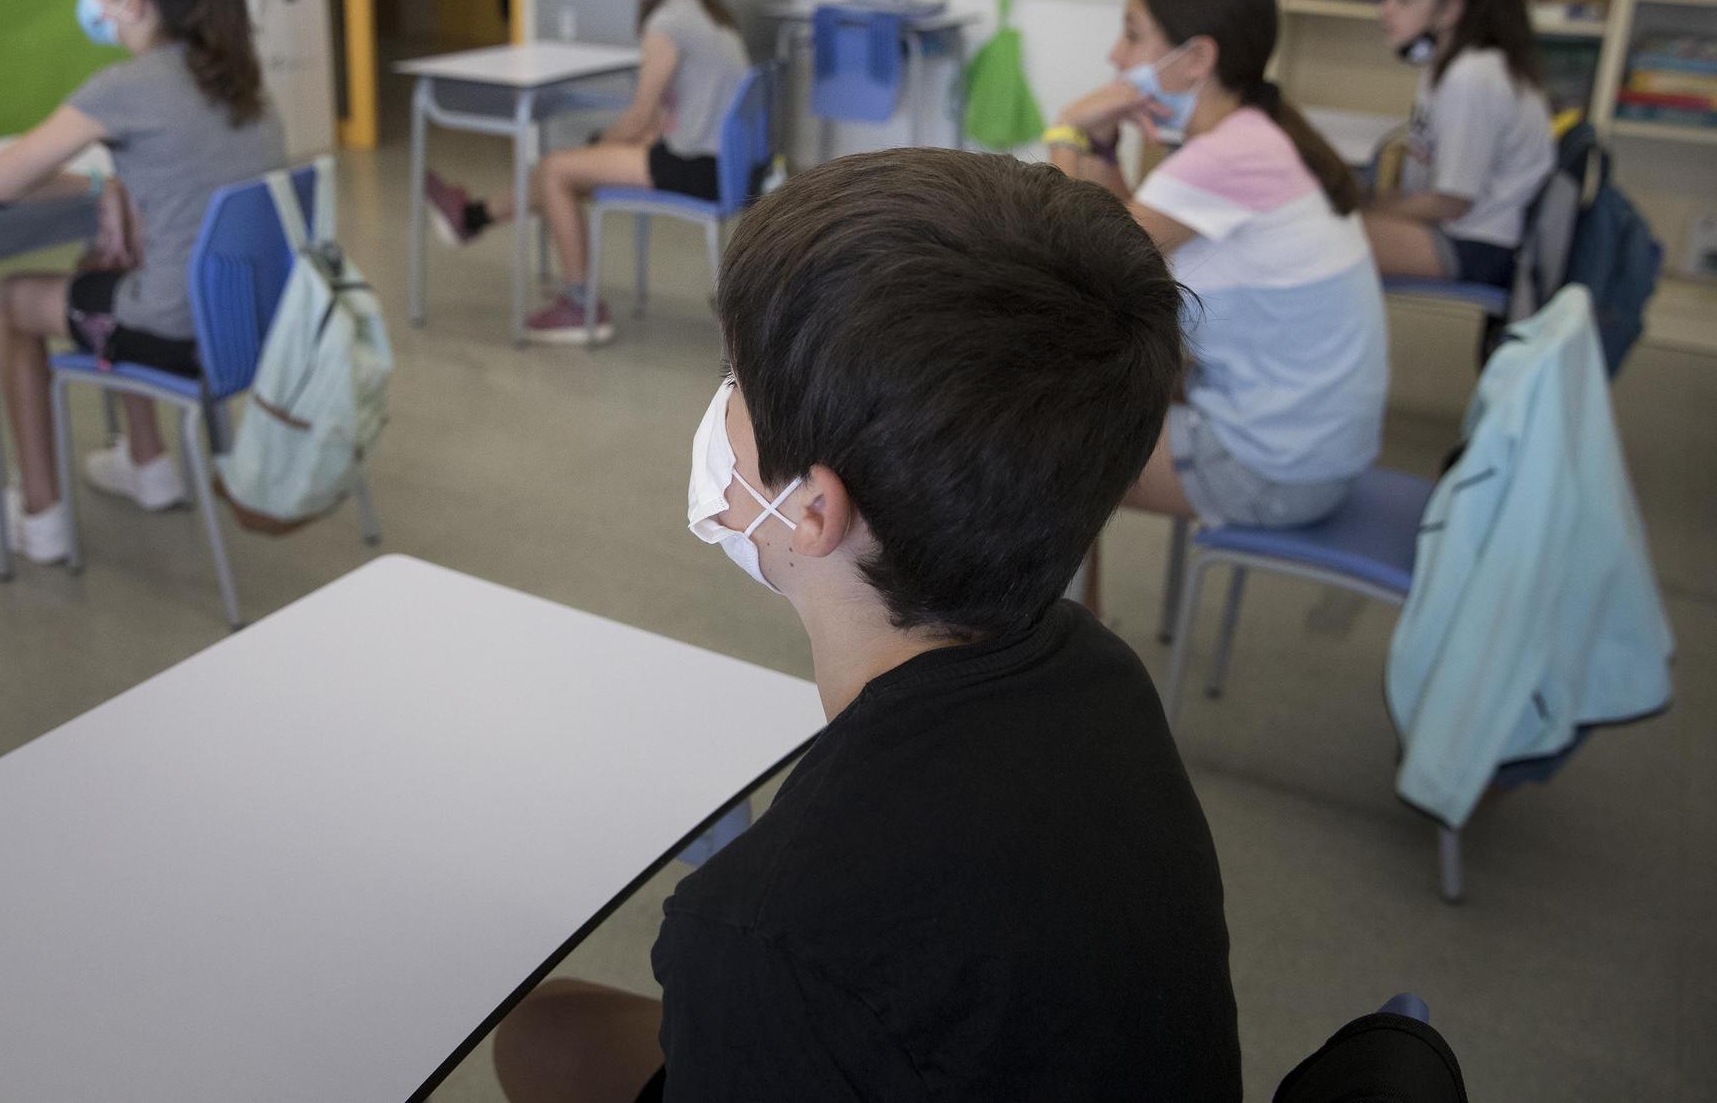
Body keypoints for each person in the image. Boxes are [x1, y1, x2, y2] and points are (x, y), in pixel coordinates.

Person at [492, 150, 1242, 1101]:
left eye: (737, 381)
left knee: (538, 1034)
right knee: (549, 1031)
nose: (720, 408)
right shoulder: (1099, 670)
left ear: (814, 509)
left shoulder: (768, 933)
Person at [0, 0, 285, 564]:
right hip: (255, 323)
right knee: (105, 263)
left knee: (9, 301)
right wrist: (110, 190)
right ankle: (147, 464)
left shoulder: (122, 90)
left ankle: (40, 516)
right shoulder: (240, 79)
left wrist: (90, 185)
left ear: (130, 5)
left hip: (177, 327)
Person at [1044, 0, 1387, 542]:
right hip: (1307, 449)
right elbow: (1124, 234)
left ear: (1197, 57)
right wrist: (1099, 146)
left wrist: (1068, 127)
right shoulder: (1253, 135)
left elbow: (1081, 259)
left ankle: (1057, 628)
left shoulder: (1230, 155)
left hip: (1273, 469)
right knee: (1067, 422)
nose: (1115, 56)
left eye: (1133, 35)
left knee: (1024, 456)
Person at [424, 0, 748, 344]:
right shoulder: (704, 10)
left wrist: (597, 143)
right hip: (724, 161)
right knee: (563, 168)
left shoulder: (669, 21)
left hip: (699, 165)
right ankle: (472, 216)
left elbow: (637, 119)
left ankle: (580, 306)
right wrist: (601, 148)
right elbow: (669, 114)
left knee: (559, 169)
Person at [1363, 0, 1555, 287]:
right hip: (1459, 233)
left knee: (1318, 237)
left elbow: (1452, 202)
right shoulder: (1447, 65)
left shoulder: (1472, 77)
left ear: (1450, 10)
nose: (1385, 10)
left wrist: (1370, 207)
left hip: (1477, 247)